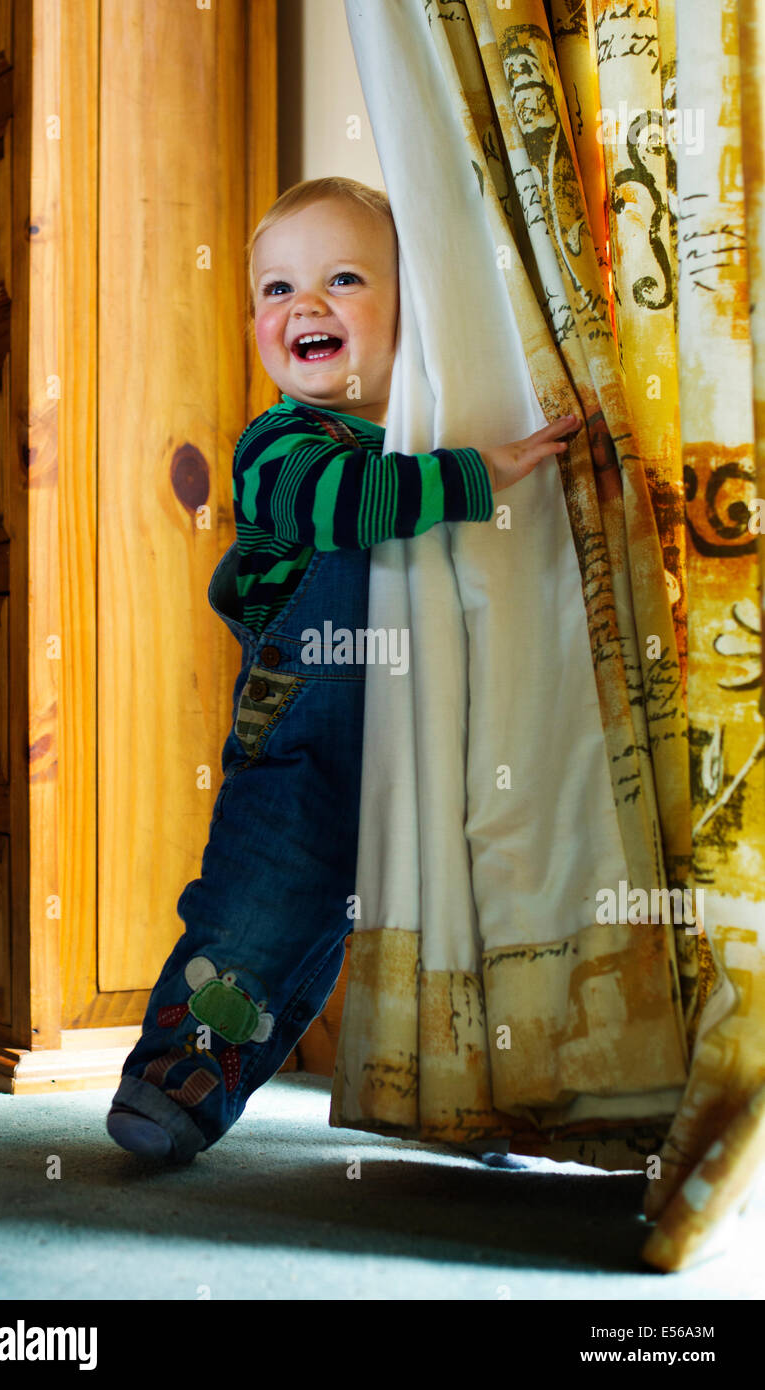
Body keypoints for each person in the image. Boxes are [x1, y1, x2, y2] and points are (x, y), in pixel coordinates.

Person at [107, 176, 580, 1160]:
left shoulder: (425, 426)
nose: (304, 306)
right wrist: (475, 475)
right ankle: (181, 1076)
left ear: (413, 307)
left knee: (476, 910)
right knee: (269, 911)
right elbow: (353, 503)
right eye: (277, 291)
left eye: (343, 278)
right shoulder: (283, 445)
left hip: (431, 741)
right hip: (306, 740)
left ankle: (480, 1087)